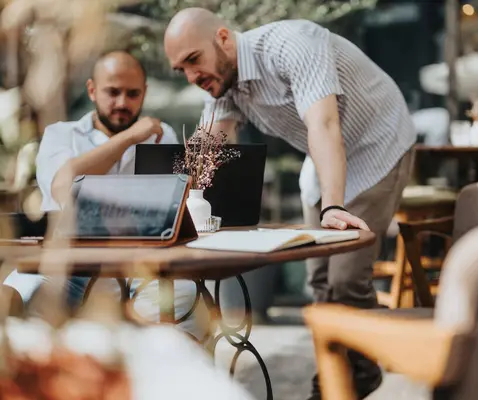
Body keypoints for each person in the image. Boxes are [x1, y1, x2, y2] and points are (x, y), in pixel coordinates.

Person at [163, 9, 416, 399]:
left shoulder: (293, 44)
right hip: (324, 161)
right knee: (318, 281)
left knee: (346, 280)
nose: (192, 76)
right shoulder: (224, 86)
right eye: (181, 69)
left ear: (224, 39)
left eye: (194, 60)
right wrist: (168, 209)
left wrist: (333, 207)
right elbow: (208, 145)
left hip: (378, 144)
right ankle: (335, 379)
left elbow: (324, 125)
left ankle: (359, 375)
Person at [3, 50, 200, 337]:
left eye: (132, 94)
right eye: (113, 92)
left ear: (144, 93)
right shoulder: (61, 134)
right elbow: (62, 188)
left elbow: (173, 205)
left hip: (140, 265)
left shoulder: (162, 135)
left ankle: (137, 360)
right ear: (92, 90)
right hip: (67, 264)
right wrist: (130, 137)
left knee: (183, 293)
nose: (122, 102)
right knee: (18, 293)